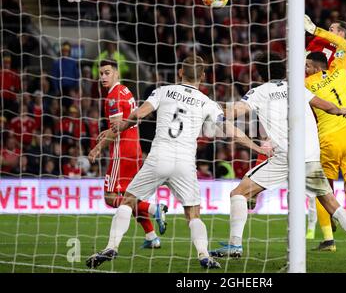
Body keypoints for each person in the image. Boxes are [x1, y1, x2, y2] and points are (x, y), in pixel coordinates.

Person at [86, 55, 270, 269]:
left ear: (180, 72)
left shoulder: (162, 91)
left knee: (127, 201)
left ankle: (111, 247)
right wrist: (257, 147)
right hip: (184, 163)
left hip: (158, 157)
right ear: (202, 76)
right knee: (193, 213)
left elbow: (140, 114)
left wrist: (121, 125)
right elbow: (231, 131)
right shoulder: (207, 103)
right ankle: (203, 255)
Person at [210, 52, 346, 263]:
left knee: (239, 193)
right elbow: (324, 104)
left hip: (285, 158)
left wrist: (210, 109)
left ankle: (235, 245)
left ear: (260, 73)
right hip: (310, 157)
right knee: (332, 205)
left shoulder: (259, 92)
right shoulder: (297, 89)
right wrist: (340, 109)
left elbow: (234, 111)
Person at [304, 15, 346, 252]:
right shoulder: (340, 70)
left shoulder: (306, 85)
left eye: (307, 66)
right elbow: (341, 46)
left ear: (313, 67)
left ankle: (329, 239)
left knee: (324, 190)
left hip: (328, 137)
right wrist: (316, 30)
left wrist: (312, 30)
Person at [87, 60, 166, 252]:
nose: (103, 77)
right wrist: (107, 132)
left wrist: (97, 148)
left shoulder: (113, 97)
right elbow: (122, 124)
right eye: (101, 74)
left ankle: (154, 209)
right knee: (131, 195)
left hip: (121, 153)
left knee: (110, 197)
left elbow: (116, 130)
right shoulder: (126, 91)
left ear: (116, 73)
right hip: (134, 150)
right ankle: (151, 236)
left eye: (107, 73)